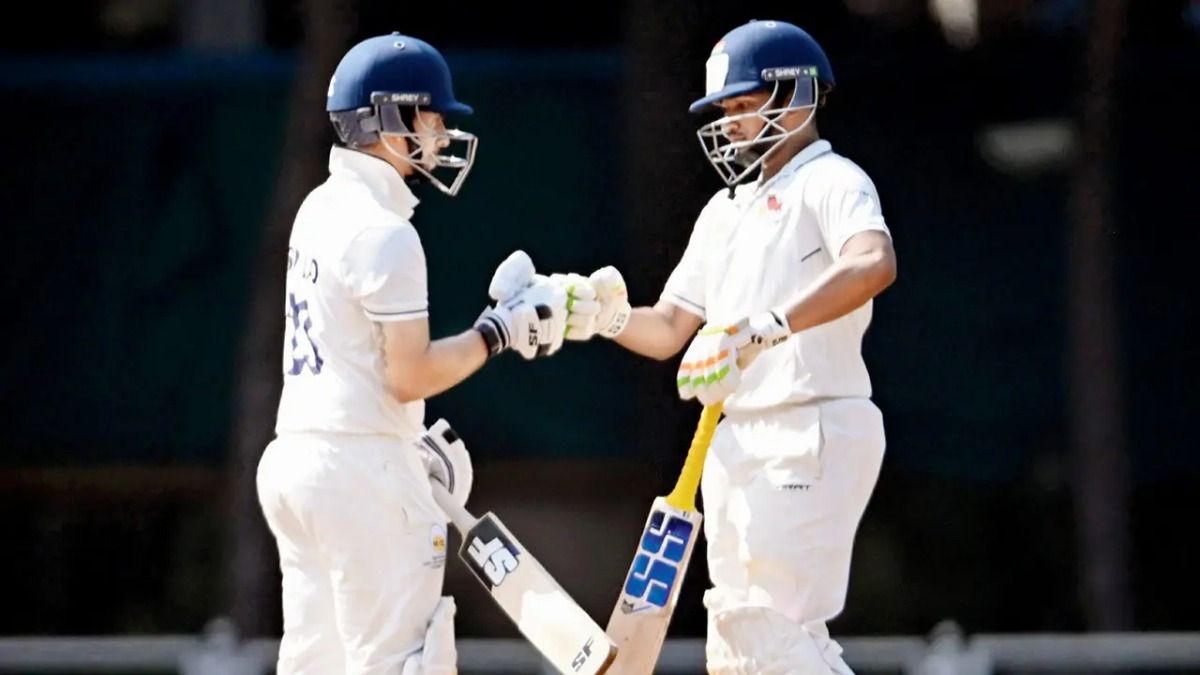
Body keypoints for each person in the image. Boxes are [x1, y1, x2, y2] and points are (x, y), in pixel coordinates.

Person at [255, 32, 594, 674]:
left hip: (297, 463)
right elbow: (409, 374)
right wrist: (498, 332)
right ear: (389, 116)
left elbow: (353, 359)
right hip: (359, 471)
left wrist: (401, 445)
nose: (440, 133)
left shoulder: (319, 207)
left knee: (315, 666)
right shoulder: (386, 233)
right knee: (402, 664)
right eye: (431, 116)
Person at [569, 19, 898, 674]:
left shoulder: (831, 179)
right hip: (734, 438)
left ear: (797, 97)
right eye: (727, 111)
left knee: (773, 636)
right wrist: (595, 317)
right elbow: (667, 328)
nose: (733, 124)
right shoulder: (726, 210)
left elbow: (874, 262)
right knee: (744, 641)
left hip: (811, 423)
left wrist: (760, 327)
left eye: (745, 106)